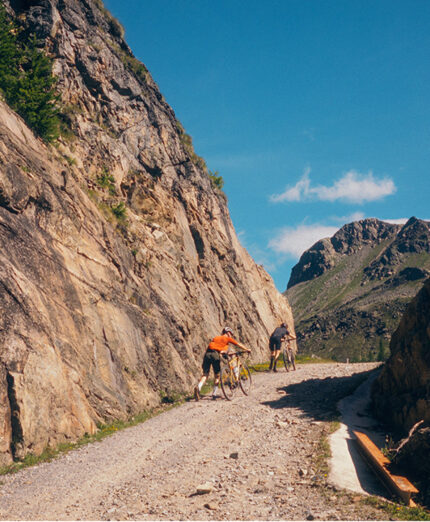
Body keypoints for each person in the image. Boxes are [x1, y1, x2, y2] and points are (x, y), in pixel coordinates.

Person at [194, 327, 251, 400]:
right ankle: (214, 394)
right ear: (228, 332)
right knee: (217, 375)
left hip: (207, 354)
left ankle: (198, 387)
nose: (231, 335)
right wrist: (246, 349)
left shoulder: (216, 338)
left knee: (205, 374)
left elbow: (219, 349)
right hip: (215, 355)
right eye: (231, 333)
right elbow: (238, 344)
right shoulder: (227, 338)